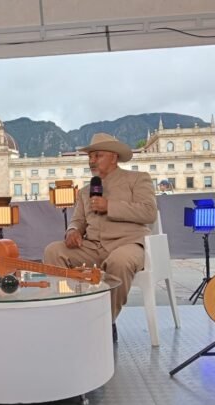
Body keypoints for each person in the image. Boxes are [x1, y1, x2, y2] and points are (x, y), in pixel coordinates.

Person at [43, 133, 157, 343]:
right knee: (53, 251)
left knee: (119, 261)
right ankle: (68, 314)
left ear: (113, 157)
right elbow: (77, 220)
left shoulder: (137, 179)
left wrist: (109, 206)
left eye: (98, 155)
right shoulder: (85, 191)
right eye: (90, 156)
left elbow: (149, 213)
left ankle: (104, 322)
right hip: (93, 247)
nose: (92, 160)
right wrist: (73, 231)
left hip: (128, 244)